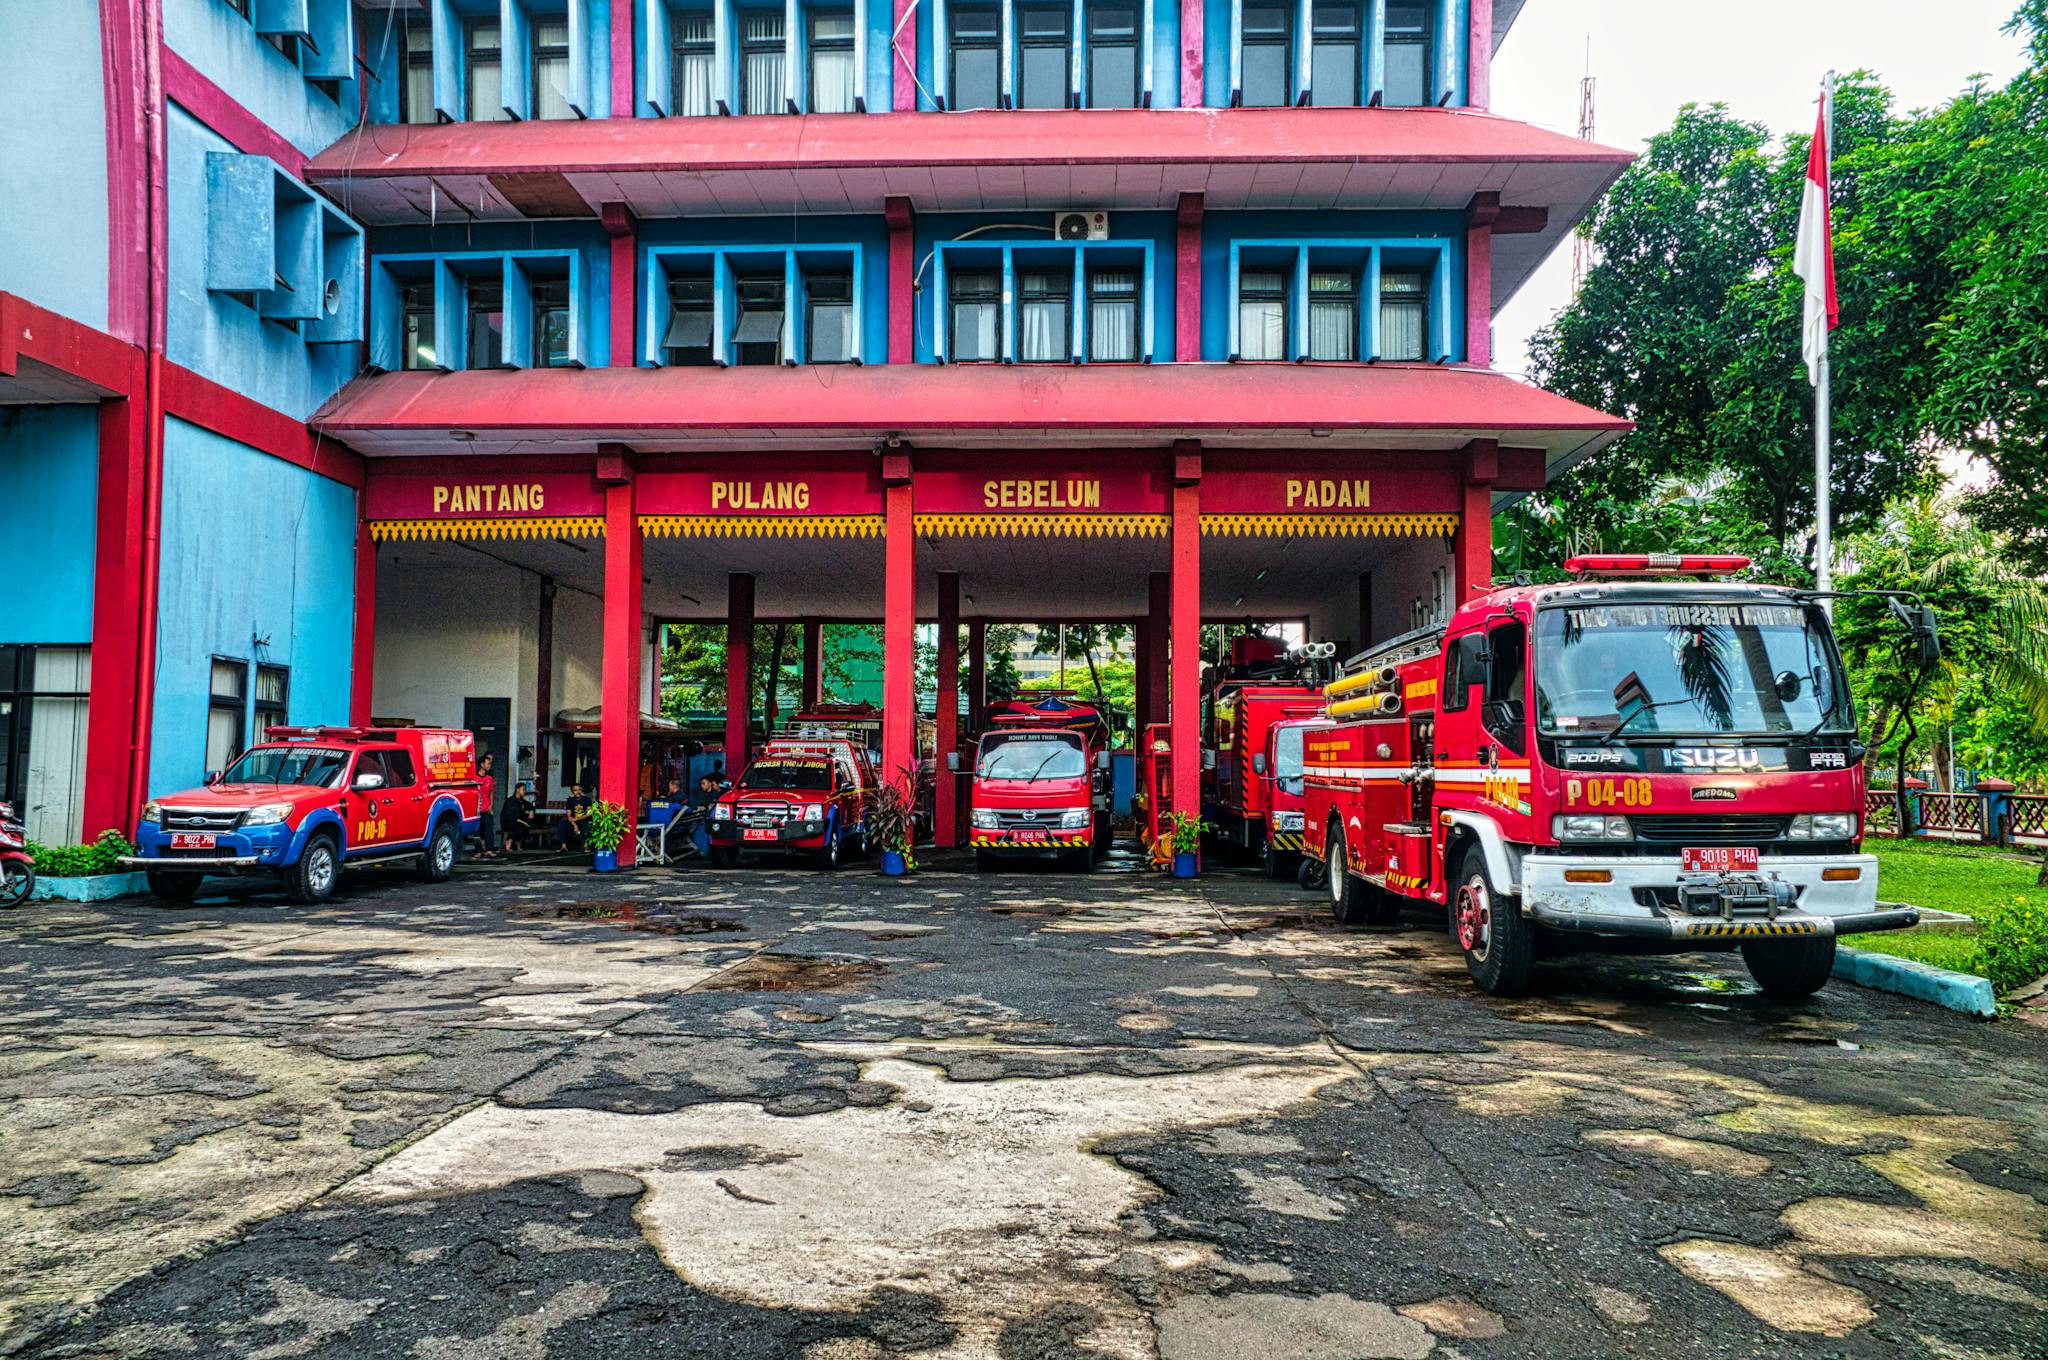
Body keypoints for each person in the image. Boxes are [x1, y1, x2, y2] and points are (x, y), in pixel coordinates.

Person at [555, 783, 594, 852]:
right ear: (572, 792)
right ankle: (563, 846)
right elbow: (569, 816)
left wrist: (577, 819)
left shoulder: (587, 799)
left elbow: (589, 813)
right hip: (572, 821)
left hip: (584, 819)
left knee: (587, 824)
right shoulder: (570, 801)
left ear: (581, 790)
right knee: (562, 823)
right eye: (575, 790)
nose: (578, 792)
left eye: (579, 790)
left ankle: (586, 846)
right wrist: (575, 825)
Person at [475, 752, 498, 858]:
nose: (489, 766)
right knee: (477, 830)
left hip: (487, 807)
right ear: (482, 764)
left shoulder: (489, 778)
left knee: (489, 828)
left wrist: (491, 805)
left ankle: (489, 849)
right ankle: (478, 850)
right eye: (488, 764)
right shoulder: (475, 778)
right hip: (477, 808)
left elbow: (491, 792)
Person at [501, 782, 536, 852]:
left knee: (532, 825)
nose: (524, 791)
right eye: (523, 789)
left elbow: (530, 805)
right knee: (524, 826)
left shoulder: (521, 800)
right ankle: (510, 840)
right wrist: (524, 822)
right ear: (517, 790)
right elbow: (512, 817)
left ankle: (518, 841)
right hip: (509, 822)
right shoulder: (511, 801)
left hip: (519, 822)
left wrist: (531, 810)